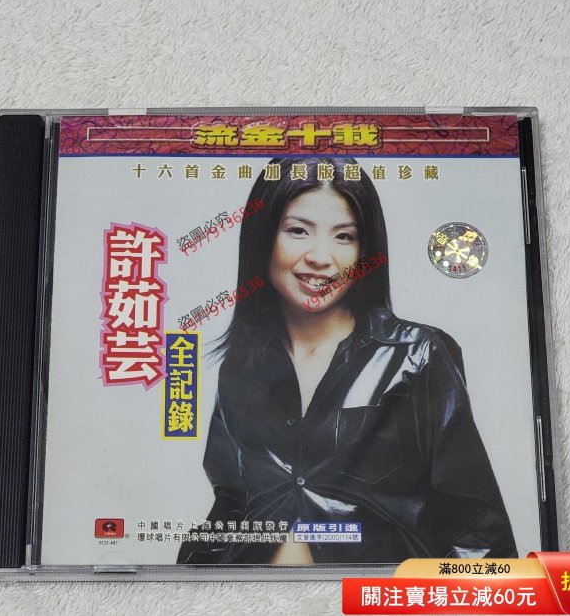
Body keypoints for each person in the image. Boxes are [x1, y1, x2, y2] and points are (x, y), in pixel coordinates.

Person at [177, 156, 517, 565]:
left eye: (344, 237)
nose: (321, 257)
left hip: (374, 597)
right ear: (262, 237)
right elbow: (230, 505)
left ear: (364, 250)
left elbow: (477, 529)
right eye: (298, 231)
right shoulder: (242, 365)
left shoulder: (418, 355)